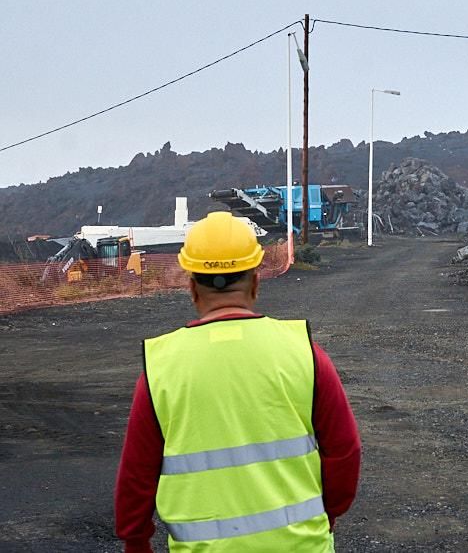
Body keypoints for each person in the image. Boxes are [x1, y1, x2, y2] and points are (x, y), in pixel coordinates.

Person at [114, 211, 361, 552]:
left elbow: (137, 472)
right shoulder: (305, 352)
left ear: (191, 285)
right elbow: (344, 450)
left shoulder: (161, 367)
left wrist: (135, 538)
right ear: (256, 281)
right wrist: (327, 513)